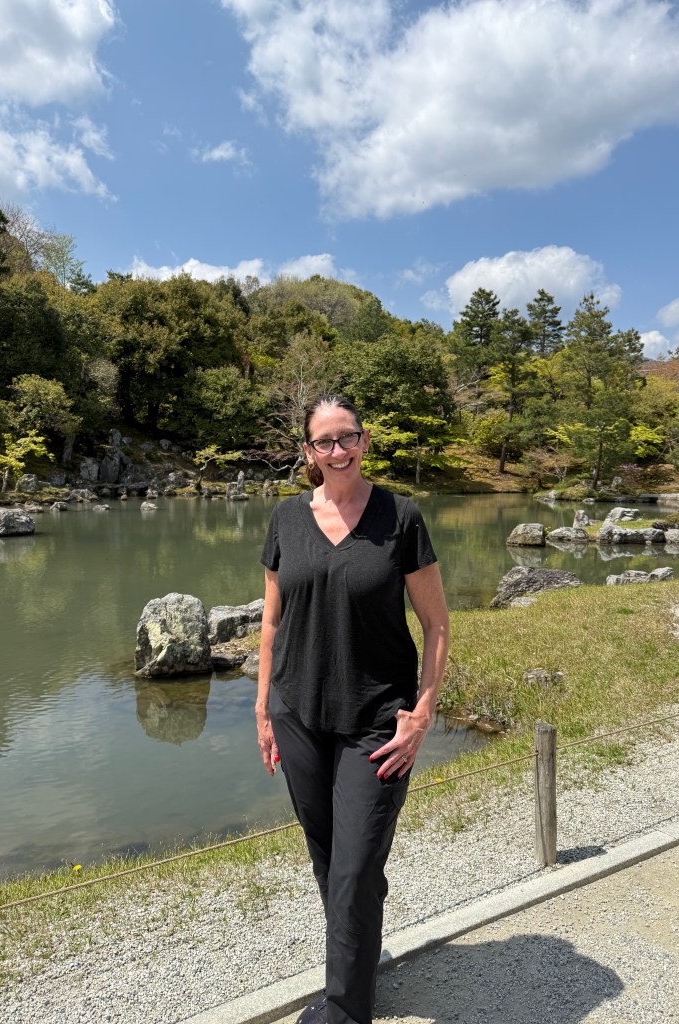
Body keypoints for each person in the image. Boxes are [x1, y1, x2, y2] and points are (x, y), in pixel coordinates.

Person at [256, 395, 450, 1024]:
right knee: (331, 861)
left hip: (377, 720)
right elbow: (271, 623)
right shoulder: (287, 518)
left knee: (357, 866)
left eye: (347, 437)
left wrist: (423, 712)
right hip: (298, 712)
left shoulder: (402, 517)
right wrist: (263, 710)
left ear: (365, 442)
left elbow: (437, 625)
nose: (337, 450)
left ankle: (343, 1010)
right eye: (324, 441)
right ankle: (355, 966)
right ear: (308, 451)